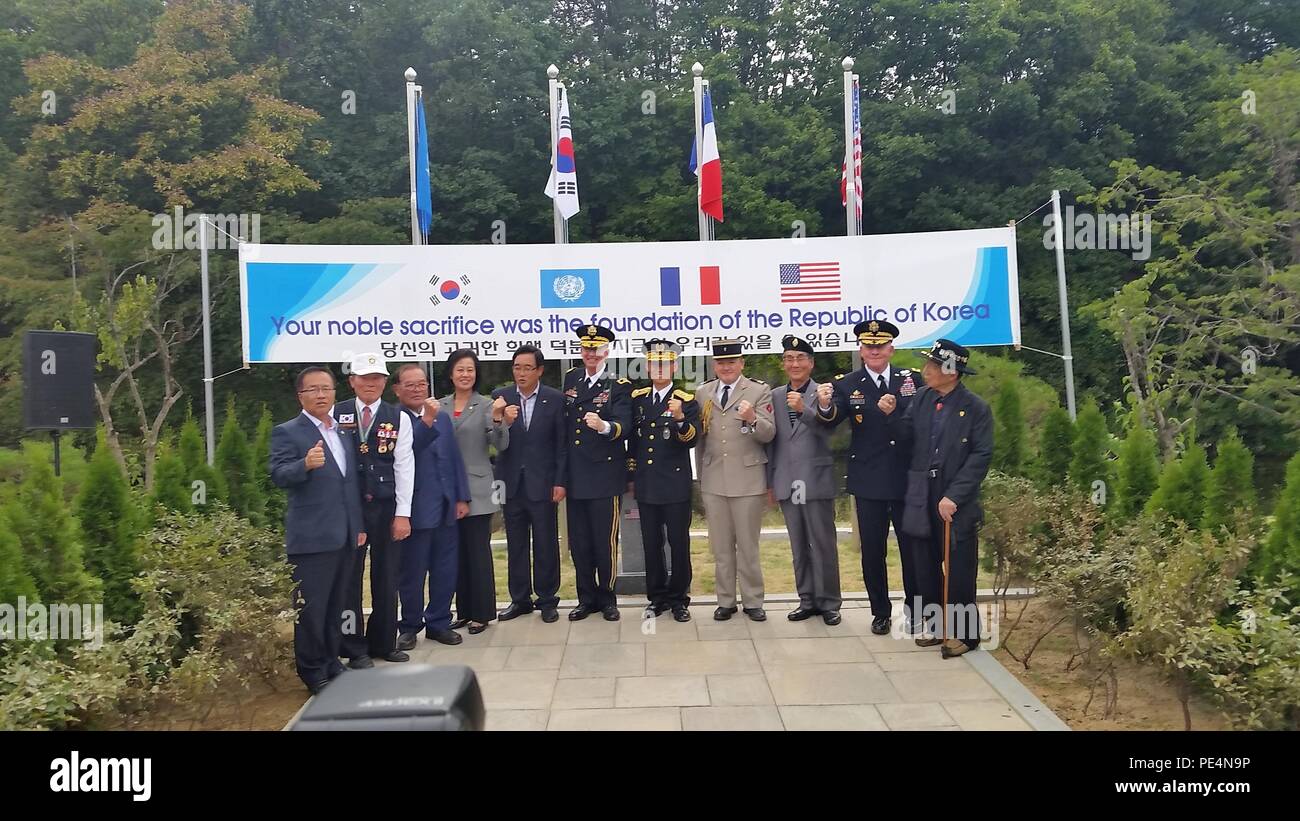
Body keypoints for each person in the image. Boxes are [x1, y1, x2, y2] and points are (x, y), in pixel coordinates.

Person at [880, 339, 993, 658]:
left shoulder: (975, 408)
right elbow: (906, 438)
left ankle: (966, 635)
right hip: (920, 494)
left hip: (955, 499)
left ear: (951, 371)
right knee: (923, 565)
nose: (925, 370)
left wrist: (954, 496)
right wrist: (891, 416)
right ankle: (938, 626)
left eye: (933, 365)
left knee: (959, 569)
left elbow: (981, 456)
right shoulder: (922, 399)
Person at [815, 319, 920, 636]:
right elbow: (832, 420)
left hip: (905, 480)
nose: (874, 351)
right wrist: (823, 404)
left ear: (891, 349)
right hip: (869, 480)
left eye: (880, 346)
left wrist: (896, 414)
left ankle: (915, 609)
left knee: (911, 549)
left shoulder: (910, 380)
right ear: (860, 350)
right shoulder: (848, 383)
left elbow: (919, 426)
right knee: (873, 551)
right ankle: (880, 612)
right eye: (868, 346)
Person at [269, 365, 366, 695]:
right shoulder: (288, 432)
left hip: (343, 535)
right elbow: (278, 475)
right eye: (314, 389)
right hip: (311, 539)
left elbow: (349, 485)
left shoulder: (341, 431)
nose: (322, 394)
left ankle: (330, 661)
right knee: (311, 608)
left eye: (326, 388)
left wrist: (359, 527)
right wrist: (304, 466)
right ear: (301, 396)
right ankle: (311, 670)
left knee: (335, 605)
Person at [333, 353, 414, 668]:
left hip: (385, 507)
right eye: (364, 377)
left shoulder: (399, 417)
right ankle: (353, 647)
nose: (371, 383)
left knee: (387, 576)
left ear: (385, 382)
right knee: (350, 579)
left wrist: (403, 514)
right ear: (352, 380)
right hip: (349, 509)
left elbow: (405, 467)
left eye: (377, 377)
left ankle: (384, 642)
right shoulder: (336, 413)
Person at [695, 338, 775, 621]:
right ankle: (725, 600)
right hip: (714, 478)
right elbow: (700, 439)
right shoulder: (703, 392)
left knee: (748, 546)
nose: (726, 367)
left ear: (741, 363)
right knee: (721, 546)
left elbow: (768, 434)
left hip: (748, 478)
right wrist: (702, 476)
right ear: (714, 365)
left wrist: (753, 417)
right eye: (721, 362)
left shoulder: (757, 390)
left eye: (731, 362)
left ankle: (753, 600)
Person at [392, 365, 471, 649]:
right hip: (415, 510)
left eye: (421, 384)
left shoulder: (443, 418)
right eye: (410, 385)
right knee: (412, 573)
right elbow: (408, 451)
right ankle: (410, 625)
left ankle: (439, 622)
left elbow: (453, 458)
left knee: (445, 569)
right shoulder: (393, 419)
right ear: (397, 389)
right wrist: (426, 419)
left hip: (446, 506)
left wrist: (461, 497)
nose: (417, 389)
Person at [767, 336, 842, 626]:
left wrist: (805, 410)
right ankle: (807, 599)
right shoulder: (774, 395)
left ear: (811, 363)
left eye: (800, 358)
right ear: (784, 363)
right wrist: (770, 481)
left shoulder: (824, 392)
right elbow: (771, 442)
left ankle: (830, 603)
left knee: (822, 543)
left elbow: (830, 431)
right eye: (789, 358)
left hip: (816, 479)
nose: (794, 364)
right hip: (786, 480)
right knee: (798, 545)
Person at [561, 324, 633, 622]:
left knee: (605, 542)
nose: (590, 353)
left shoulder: (619, 383)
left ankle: (607, 598)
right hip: (576, 475)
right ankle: (585, 598)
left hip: (604, 476)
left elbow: (624, 424)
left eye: (596, 348)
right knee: (579, 542)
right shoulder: (571, 378)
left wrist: (604, 427)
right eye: (586, 348)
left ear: (607, 351)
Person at [491, 345, 568, 623]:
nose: (521, 373)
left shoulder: (554, 399)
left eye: (527, 368)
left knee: (546, 542)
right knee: (516, 544)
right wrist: (502, 420)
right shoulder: (500, 398)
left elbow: (561, 446)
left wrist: (560, 482)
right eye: (516, 367)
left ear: (539, 370)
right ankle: (519, 599)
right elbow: (495, 443)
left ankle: (547, 599)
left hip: (543, 483)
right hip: (511, 484)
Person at [627, 339, 700, 622]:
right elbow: (633, 441)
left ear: (674, 366)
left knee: (679, 543)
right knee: (651, 543)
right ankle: (656, 597)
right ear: (647, 367)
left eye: (664, 364)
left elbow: (692, 439)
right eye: (654, 364)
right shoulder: (639, 399)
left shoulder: (687, 400)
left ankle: (679, 598)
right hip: (646, 484)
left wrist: (680, 418)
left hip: (675, 483)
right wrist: (631, 475)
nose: (659, 369)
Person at [438, 350, 509, 635]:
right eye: (460, 369)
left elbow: (501, 443)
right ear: (451, 374)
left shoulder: (487, 404)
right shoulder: (439, 405)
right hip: (446, 491)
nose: (465, 374)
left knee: (477, 553)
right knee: (455, 555)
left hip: (477, 489)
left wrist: (497, 418)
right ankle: (464, 611)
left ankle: (482, 612)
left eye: (470, 369)